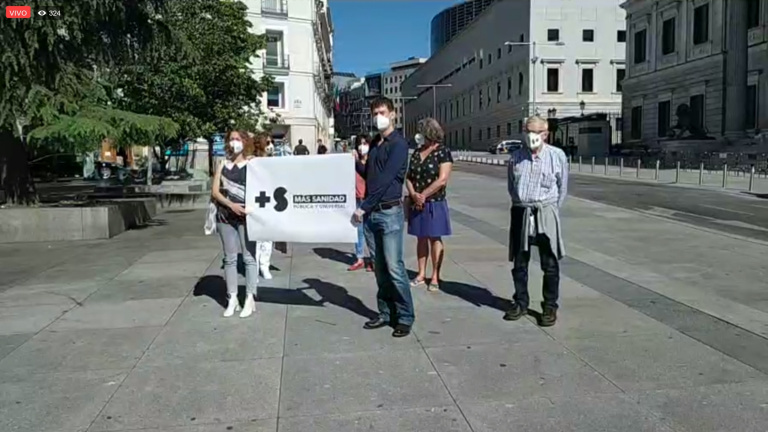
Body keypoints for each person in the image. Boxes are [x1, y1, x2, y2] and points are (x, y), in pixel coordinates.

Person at [353, 96, 413, 338]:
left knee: (394, 267)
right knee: (379, 268)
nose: (378, 117)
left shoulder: (398, 144)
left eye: (382, 112)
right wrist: (355, 161)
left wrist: (363, 207)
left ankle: (405, 316)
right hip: (373, 215)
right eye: (375, 113)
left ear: (392, 114)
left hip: (388, 212)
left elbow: (386, 180)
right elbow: (370, 175)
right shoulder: (376, 143)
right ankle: (386, 312)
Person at [505, 115, 568, 327]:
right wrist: (521, 203)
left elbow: (562, 188)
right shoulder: (515, 157)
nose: (530, 136)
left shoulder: (557, 156)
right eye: (527, 131)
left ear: (545, 134)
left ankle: (549, 306)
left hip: (545, 211)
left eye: (535, 132)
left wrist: (551, 210)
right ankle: (520, 302)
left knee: (549, 263)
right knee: (519, 262)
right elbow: (511, 186)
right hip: (521, 210)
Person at [211, 130, 260, 318]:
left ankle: (250, 297)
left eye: (238, 139)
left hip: (246, 217)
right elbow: (215, 192)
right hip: (225, 215)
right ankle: (232, 298)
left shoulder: (252, 164)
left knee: (249, 257)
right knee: (229, 258)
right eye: (231, 139)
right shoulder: (222, 164)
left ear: (245, 141)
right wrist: (231, 205)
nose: (234, 142)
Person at [406, 118, 453, 292]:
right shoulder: (417, 153)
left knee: (435, 238)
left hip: (434, 202)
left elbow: (442, 179)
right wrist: (413, 194)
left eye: (420, 131)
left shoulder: (442, 152)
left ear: (429, 133)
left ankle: (435, 276)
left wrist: (424, 195)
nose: (418, 135)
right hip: (417, 203)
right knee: (420, 237)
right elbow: (409, 177)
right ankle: (420, 274)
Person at [348, 135, 375, 272]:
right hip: (356, 198)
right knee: (358, 229)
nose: (361, 146)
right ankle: (360, 258)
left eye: (365, 143)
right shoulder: (353, 161)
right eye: (359, 143)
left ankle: (374, 259)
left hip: (369, 199)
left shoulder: (372, 161)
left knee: (370, 230)